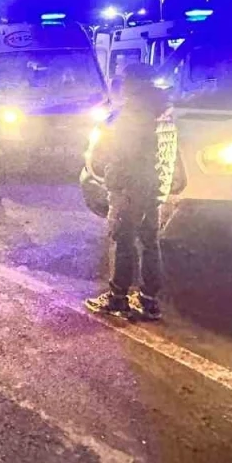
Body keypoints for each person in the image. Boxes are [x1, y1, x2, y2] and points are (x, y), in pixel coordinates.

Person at [85, 63, 176, 322]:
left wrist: (111, 180)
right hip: (155, 187)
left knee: (122, 241)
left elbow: (123, 156)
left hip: (130, 189)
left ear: (135, 82)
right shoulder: (164, 111)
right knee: (150, 243)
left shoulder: (133, 113)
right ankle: (149, 301)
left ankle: (118, 298)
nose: (121, 85)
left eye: (125, 80)